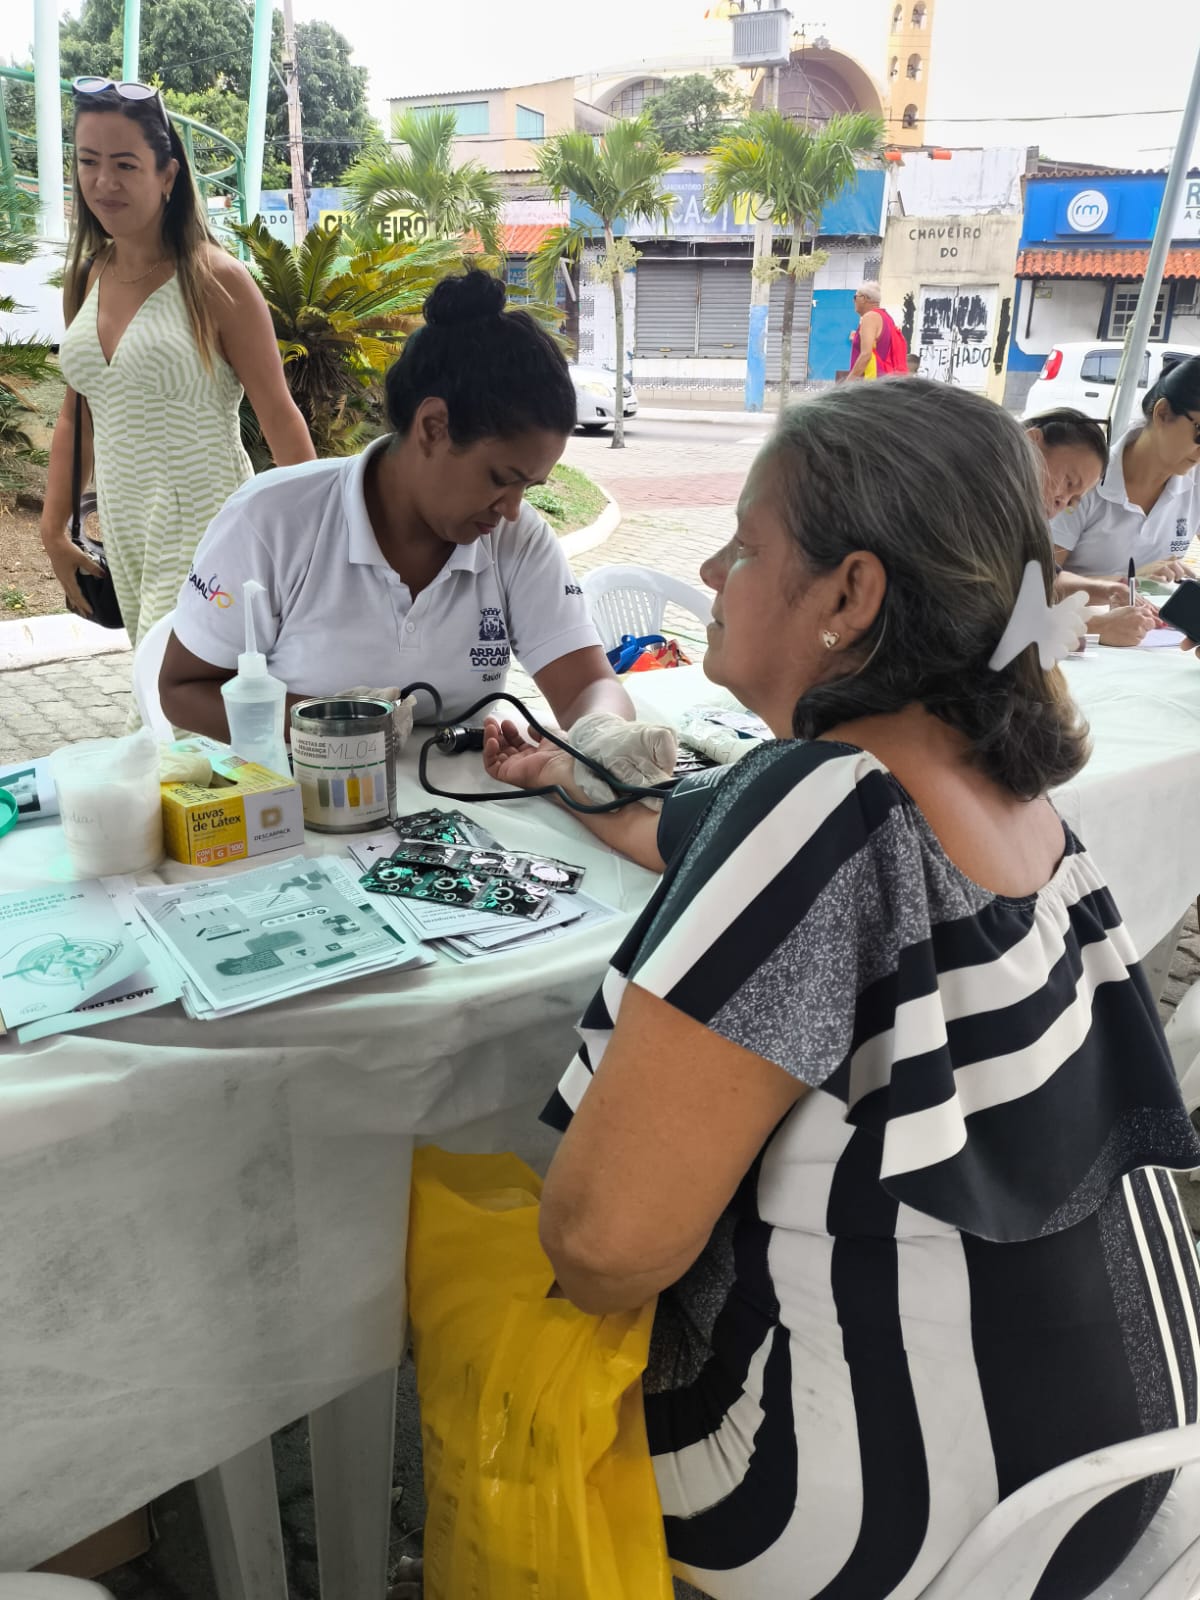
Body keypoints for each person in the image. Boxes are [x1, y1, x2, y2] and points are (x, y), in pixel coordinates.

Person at [482, 379, 1200, 1600]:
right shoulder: (1005, 781)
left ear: (851, 593)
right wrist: (566, 775)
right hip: (1108, 1461)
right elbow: (706, 833)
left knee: (489, 1278)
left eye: (748, 545)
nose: (711, 570)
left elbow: (605, 1244)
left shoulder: (829, 802)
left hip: (871, 1506)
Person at [160, 270, 643, 749]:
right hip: (302, 811)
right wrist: (335, 727)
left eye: (529, 487)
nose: (512, 510)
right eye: (501, 479)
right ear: (433, 427)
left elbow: (587, 687)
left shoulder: (515, 540)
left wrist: (605, 734)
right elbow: (182, 690)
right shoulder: (272, 520)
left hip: (463, 814)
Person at [40, 78, 314, 653]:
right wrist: (53, 525)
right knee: (162, 709)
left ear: (168, 176)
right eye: (88, 161)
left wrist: (316, 550)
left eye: (124, 164)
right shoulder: (88, 277)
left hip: (210, 530)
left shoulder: (216, 280)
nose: (103, 182)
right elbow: (78, 416)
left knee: (186, 706)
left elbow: (279, 416)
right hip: (126, 532)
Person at [1052, 355, 1200, 583]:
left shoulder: (1195, 480)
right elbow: (1041, 583)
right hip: (1079, 617)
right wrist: (1132, 581)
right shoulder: (1086, 480)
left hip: (1153, 619)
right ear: (1162, 414)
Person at [1024, 408, 1158, 647]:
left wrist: (1106, 590)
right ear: (1031, 442)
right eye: (1068, 482)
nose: (1062, 501)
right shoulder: (969, 509)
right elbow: (979, 619)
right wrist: (1093, 627)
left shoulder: (1021, 523)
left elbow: (1042, 578)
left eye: (1074, 500)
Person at [845, 281, 902, 381]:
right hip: (884, 380)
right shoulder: (887, 318)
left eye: (855, 297)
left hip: (870, 382)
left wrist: (847, 384)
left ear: (864, 298)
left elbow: (866, 354)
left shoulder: (870, 317)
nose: (854, 301)